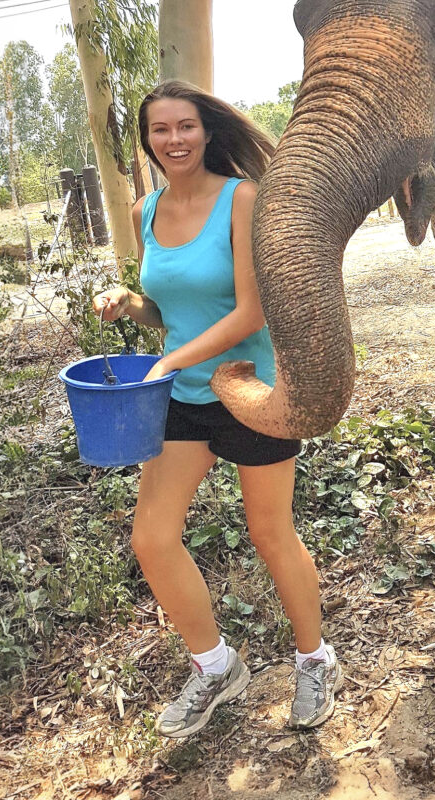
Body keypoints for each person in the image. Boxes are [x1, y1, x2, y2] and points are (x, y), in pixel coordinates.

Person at [92, 79, 342, 739]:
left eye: (184, 127)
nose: (173, 140)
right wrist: (129, 301)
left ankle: (315, 659)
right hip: (180, 396)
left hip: (250, 390)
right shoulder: (148, 211)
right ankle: (214, 667)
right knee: (151, 537)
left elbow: (248, 312)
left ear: (206, 131)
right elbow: (165, 310)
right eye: (160, 130)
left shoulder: (242, 199)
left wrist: (170, 360)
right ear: (147, 141)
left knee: (269, 534)